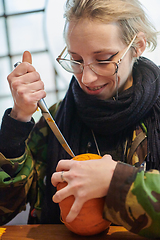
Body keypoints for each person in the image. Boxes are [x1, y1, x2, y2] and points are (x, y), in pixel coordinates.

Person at [0, 0, 160, 237]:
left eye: (104, 59)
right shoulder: (54, 120)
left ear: (137, 46)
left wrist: (116, 181)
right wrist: (18, 119)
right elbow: (5, 209)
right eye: (75, 60)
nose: (86, 78)